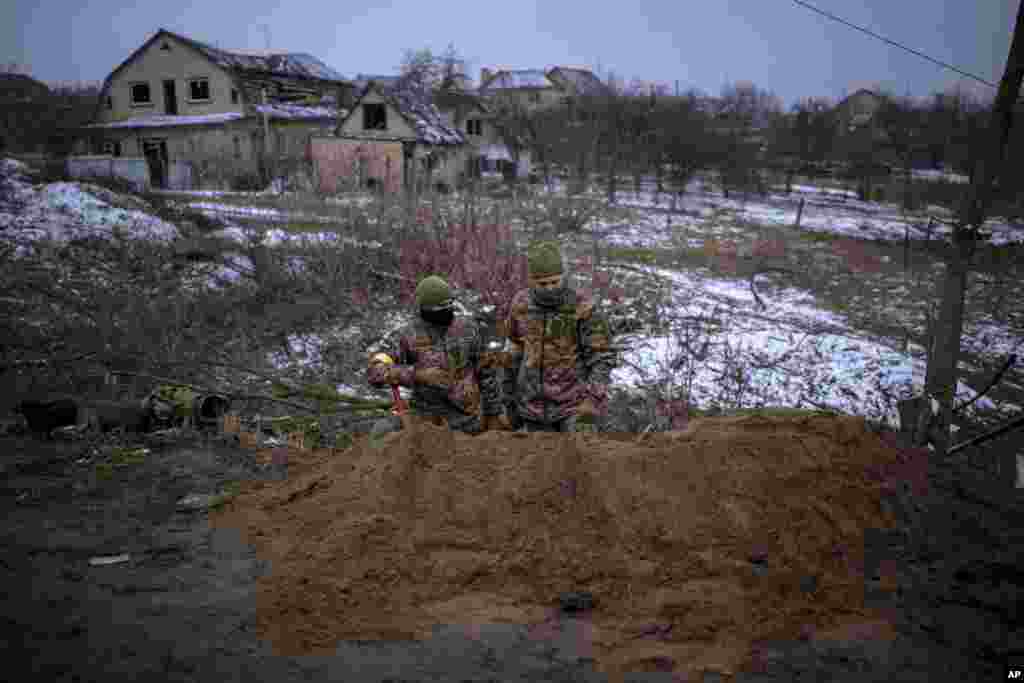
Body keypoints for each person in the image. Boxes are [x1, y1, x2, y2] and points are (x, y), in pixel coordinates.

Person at [367, 275, 511, 434]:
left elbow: (487, 371)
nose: (445, 313)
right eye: (438, 309)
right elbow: (376, 373)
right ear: (423, 309)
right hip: (425, 416)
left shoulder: (468, 328)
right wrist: (416, 375)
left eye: (448, 306)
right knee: (382, 430)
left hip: (467, 416)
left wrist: (493, 414)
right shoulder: (409, 335)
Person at [503, 241, 616, 432]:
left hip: (574, 407)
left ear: (564, 277)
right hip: (532, 408)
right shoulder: (520, 304)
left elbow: (602, 357)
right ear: (531, 280)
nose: (549, 288)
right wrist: (508, 399)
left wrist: (592, 400)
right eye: (543, 283)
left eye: (555, 282)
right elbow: (513, 349)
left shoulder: (583, 306)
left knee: (580, 457)